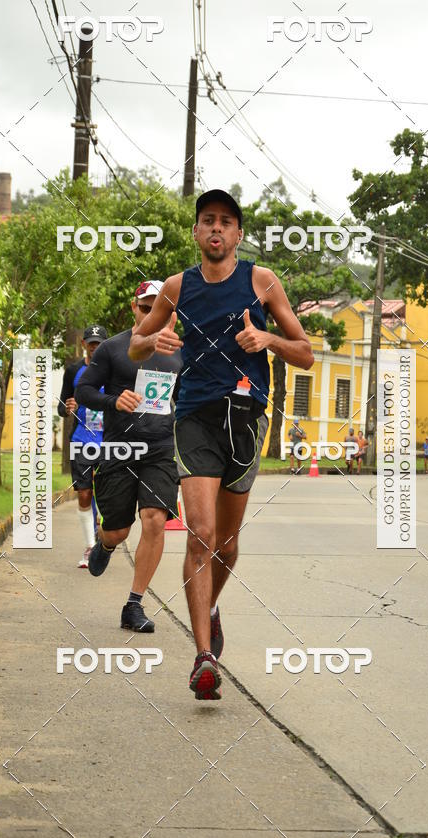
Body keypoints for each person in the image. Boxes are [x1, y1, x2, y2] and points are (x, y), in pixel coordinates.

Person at [128, 188, 314, 700]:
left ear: (237, 234)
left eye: (225, 222)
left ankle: (209, 605)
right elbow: (137, 342)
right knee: (201, 534)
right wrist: (156, 341)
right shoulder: (176, 286)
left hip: (245, 418)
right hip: (193, 418)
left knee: (227, 546)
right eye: (207, 220)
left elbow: (306, 354)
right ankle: (203, 657)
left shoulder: (261, 282)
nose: (216, 229)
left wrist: (268, 340)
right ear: (196, 232)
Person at [74, 281, 183, 633]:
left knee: (154, 519)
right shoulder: (112, 348)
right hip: (120, 449)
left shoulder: (182, 352)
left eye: (160, 307)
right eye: (146, 306)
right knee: (118, 531)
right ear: (134, 308)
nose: (152, 313)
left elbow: (187, 398)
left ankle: (134, 605)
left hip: (160, 449)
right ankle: (104, 544)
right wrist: (113, 401)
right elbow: (84, 390)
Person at [57, 324, 108, 568]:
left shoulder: (115, 369)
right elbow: (61, 405)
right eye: (91, 343)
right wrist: (67, 408)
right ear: (84, 345)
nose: (95, 347)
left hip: (111, 440)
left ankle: (104, 537)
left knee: (110, 496)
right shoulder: (74, 370)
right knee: (85, 493)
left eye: (99, 343)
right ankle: (90, 547)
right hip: (82, 440)